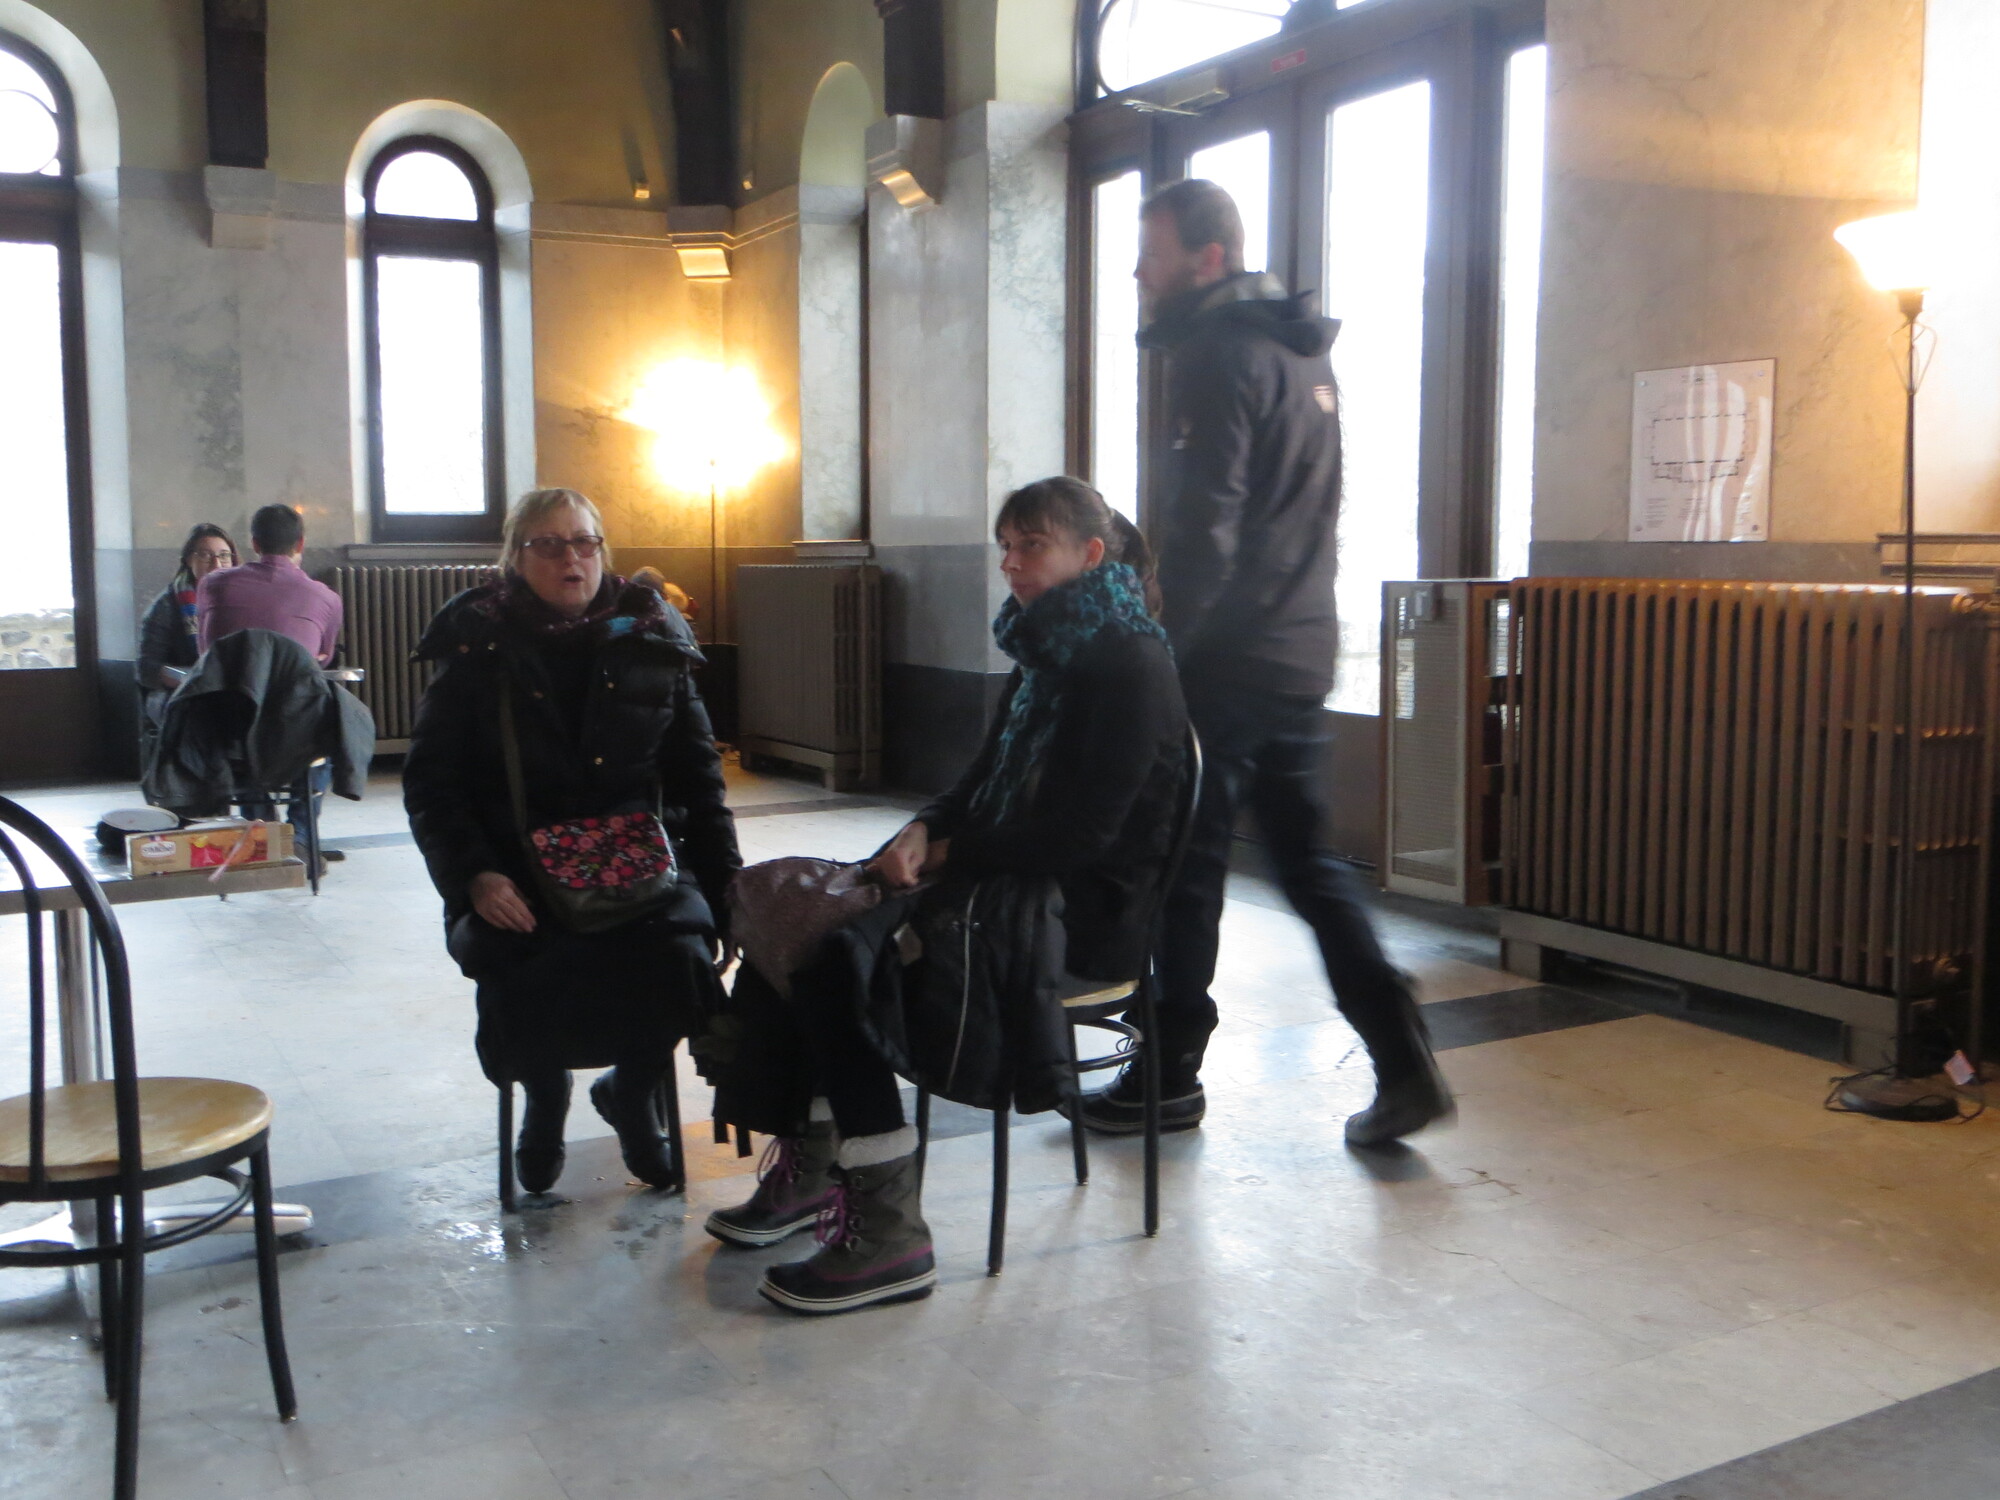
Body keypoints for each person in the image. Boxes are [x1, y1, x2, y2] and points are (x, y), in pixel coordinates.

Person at [706, 477, 1187, 1315]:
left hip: (1078, 919)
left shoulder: (1131, 662)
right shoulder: (1047, 653)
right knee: (794, 919)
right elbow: (977, 782)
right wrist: (922, 829)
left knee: (840, 963)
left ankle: (891, 1230)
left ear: (1090, 554)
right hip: (1008, 886)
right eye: (1005, 546)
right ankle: (813, 1163)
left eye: (1031, 544)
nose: (1011, 563)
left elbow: (1083, 837)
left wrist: (949, 853)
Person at [1074, 178, 1452, 1148]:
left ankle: (1167, 1073)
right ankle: (1402, 1057)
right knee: (1310, 864)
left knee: (1184, 865)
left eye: (1151, 252)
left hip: (1229, 660)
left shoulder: (1219, 353)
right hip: (1297, 650)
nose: (1136, 271)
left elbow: (1208, 527)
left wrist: (1161, 656)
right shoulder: (1299, 356)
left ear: (1207, 258)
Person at [403, 487, 740, 1195]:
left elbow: (700, 780)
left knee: (683, 958)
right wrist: (474, 876)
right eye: (549, 544)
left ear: (602, 551)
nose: (571, 558)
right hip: (514, 865)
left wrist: (726, 889)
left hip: (640, 863)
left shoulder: (651, 634)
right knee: (518, 960)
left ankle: (633, 1090)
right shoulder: (478, 644)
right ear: (515, 557)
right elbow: (433, 784)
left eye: (584, 542)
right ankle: (545, 1091)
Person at [196, 503, 343, 665]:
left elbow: (204, 652)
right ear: (301, 544)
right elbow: (322, 660)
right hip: (292, 681)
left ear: (255, 544)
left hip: (227, 681)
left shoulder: (212, 584)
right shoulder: (328, 598)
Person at [137, 524, 237, 732]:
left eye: (224, 556)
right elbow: (146, 668)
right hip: (179, 693)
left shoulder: (243, 601)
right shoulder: (168, 604)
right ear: (189, 560)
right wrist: (192, 679)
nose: (216, 564)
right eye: (205, 555)